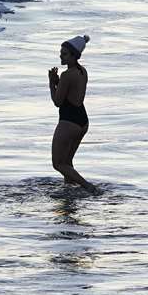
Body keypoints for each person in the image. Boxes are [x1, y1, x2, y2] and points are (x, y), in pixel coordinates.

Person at [48, 34, 99, 191]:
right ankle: (69, 189)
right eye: (60, 52)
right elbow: (72, 92)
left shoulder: (66, 75)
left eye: (64, 53)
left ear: (74, 55)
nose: (60, 56)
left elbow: (57, 102)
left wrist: (51, 83)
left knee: (58, 164)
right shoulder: (82, 71)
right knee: (67, 162)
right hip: (82, 121)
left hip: (69, 121)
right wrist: (59, 83)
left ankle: (88, 187)